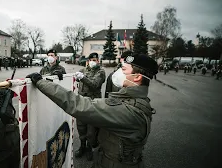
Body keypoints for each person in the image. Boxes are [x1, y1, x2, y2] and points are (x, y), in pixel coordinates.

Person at [26, 54, 158, 168]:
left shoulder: (129, 110)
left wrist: (41, 82)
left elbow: (79, 104)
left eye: (123, 69)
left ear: (137, 78)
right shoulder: (132, 99)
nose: (118, 73)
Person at [74, 52, 106, 161]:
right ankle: (82, 146)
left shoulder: (101, 72)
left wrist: (82, 78)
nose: (93, 61)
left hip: (93, 103)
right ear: (88, 61)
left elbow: (94, 85)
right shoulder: (84, 70)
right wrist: (78, 78)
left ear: (98, 61)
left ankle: (89, 148)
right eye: (91, 59)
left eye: (95, 60)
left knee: (91, 130)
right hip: (81, 101)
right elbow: (79, 82)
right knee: (81, 126)